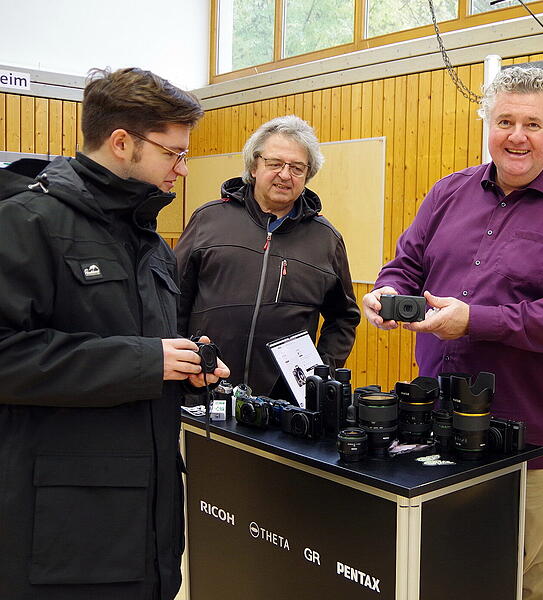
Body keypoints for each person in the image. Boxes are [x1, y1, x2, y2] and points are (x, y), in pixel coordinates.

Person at [363, 66, 543, 600]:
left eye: (533, 123)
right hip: (441, 417)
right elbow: (405, 264)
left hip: (534, 432)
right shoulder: (448, 192)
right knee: (449, 564)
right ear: (487, 125)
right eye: (505, 120)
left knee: (519, 575)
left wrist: (473, 320)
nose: (517, 136)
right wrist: (387, 293)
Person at [0, 68, 229, 599]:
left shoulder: (147, 239)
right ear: (122, 142)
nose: (183, 168)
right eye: (173, 153)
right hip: (66, 534)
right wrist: (147, 363)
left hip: (144, 521)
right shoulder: (26, 223)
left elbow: (140, 345)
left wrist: (185, 367)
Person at [175, 115, 360, 399]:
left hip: (283, 404)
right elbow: (173, 297)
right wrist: (184, 361)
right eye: (275, 164)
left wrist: (323, 373)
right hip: (203, 388)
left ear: (307, 175)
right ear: (253, 166)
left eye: (297, 168)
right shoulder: (208, 220)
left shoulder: (326, 239)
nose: (285, 175)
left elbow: (344, 317)